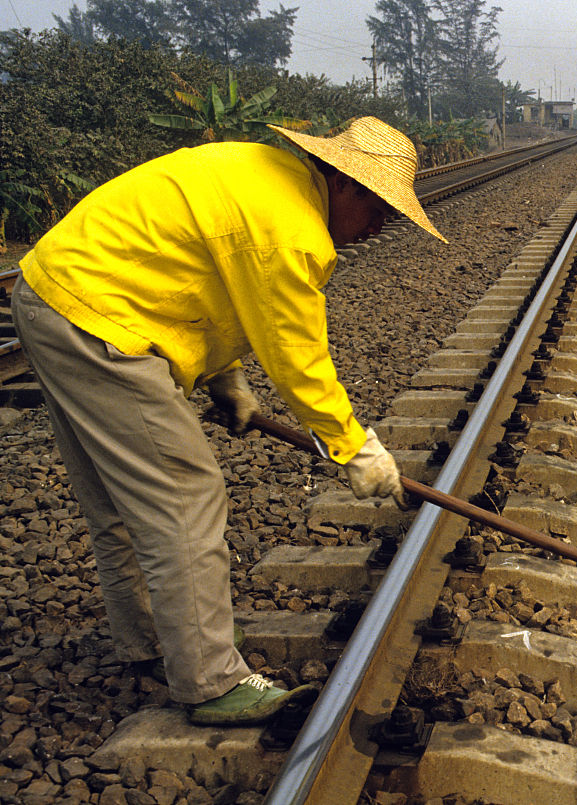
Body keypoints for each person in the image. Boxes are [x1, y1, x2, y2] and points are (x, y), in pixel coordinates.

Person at [12, 116, 446, 725]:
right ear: (345, 184)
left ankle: (155, 639)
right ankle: (211, 681)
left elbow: (204, 275)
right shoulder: (291, 231)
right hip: (100, 322)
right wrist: (355, 448)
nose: (377, 229)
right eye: (377, 210)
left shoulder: (263, 172)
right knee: (186, 497)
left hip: (57, 293)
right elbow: (298, 357)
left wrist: (226, 378)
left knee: (118, 499)